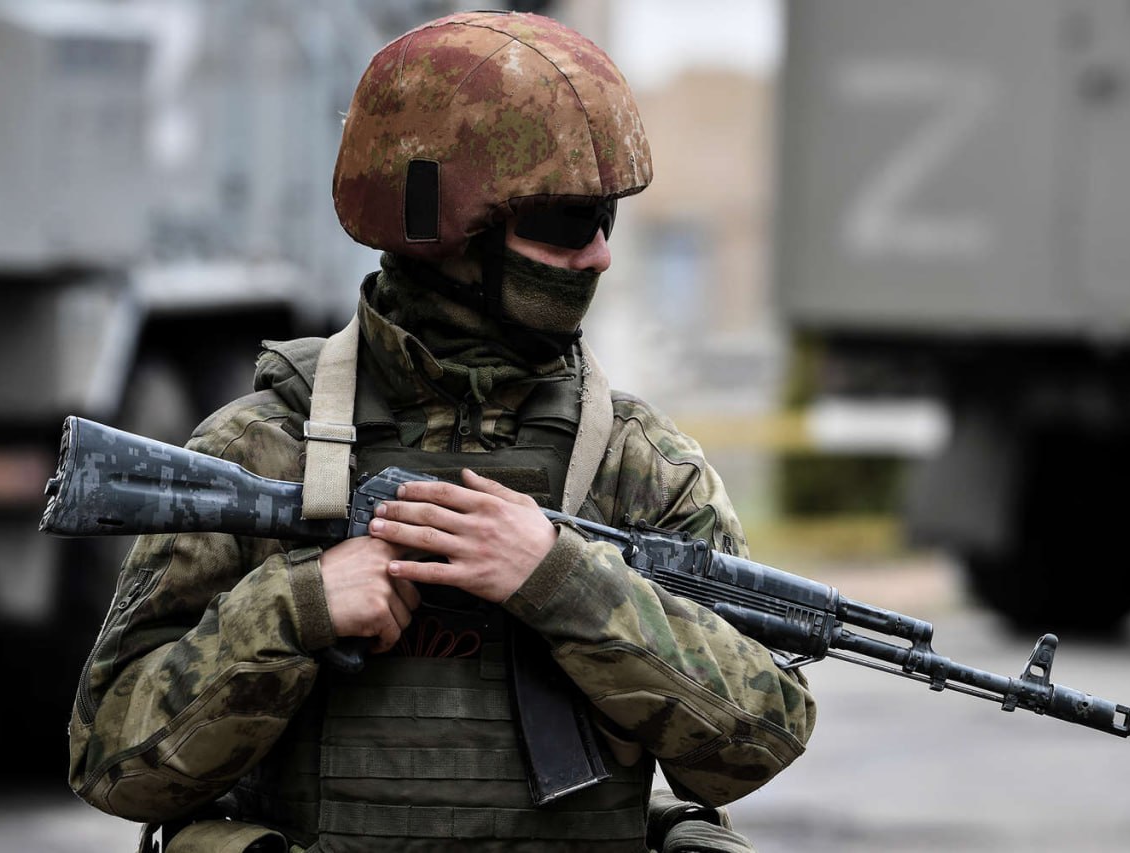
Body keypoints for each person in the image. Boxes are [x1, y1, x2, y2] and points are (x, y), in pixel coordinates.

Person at [68, 11, 815, 852]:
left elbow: (756, 744)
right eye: (567, 222)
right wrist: (298, 607)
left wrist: (562, 579)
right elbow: (111, 763)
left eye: (608, 218)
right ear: (445, 224)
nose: (600, 255)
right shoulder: (263, 447)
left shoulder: (638, 465)